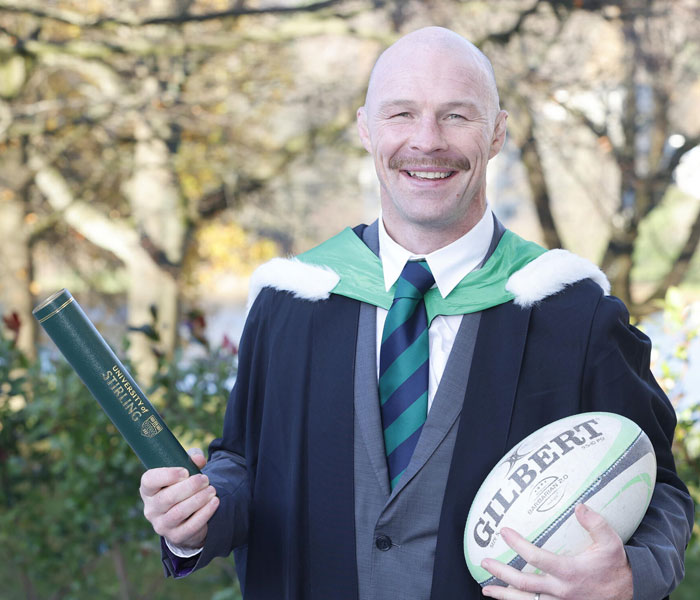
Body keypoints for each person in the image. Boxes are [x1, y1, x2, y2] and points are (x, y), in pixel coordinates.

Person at [139, 26, 693, 600]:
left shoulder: (571, 313)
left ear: (497, 132)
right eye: (401, 114)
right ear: (366, 128)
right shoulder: (292, 301)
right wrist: (200, 513)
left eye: (457, 116)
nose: (427, 141)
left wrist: (630, 576)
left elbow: (659, 489)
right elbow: (245, 463)